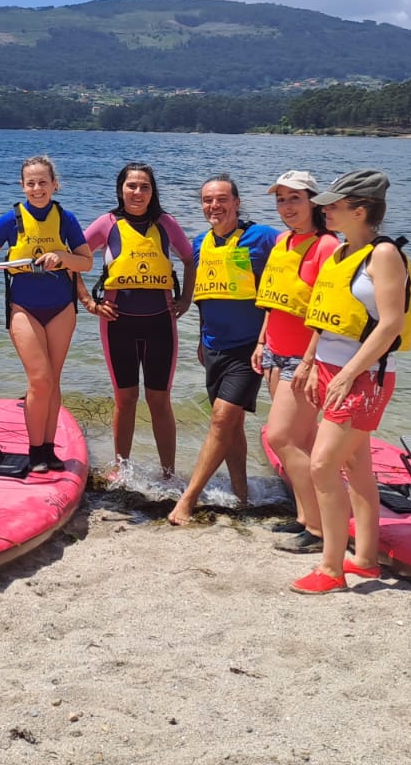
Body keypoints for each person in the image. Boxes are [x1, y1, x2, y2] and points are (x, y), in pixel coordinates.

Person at [291, 169, 411, 594]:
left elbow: (391, 324)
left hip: (362, 376)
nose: (323, 210)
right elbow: (324, 316)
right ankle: (364, 557)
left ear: (360, 211)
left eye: (333, 205)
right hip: (330, 369)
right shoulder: (341, 252)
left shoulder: (383, 255)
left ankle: (330, 568)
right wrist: (309, 362)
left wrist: (348, 374)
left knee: (322, 464)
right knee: (356, 465)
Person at [0, 155, 93, 474]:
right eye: (30, 183)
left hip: (62, 306)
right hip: (23, 306)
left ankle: (49, 450)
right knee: (40, 378)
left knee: (53, 380)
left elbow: (86, 262)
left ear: (54, 185)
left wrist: (62, 256)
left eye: (43, 182)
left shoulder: (66, 219)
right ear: (22, 186)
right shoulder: (10, 220)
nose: (37, 188)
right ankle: (35, 451)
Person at [167, 173, 277, 523]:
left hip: (250, 347)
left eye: (222, 199)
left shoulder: (263, 237)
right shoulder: (201, 244)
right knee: (232, 427)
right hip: (214, 347)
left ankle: (187, 500)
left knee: (221, 419)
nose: (214, 206)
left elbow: (298, 257)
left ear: (237, 202)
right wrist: (201, 339)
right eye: (207, 200)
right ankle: (242, 496)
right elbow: (204, 298)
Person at [76, 162, 195, 477]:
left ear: (152, 191)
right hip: (118, 322)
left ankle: (168, 473)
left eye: (144, 186)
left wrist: (187, 298)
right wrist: (89, 302)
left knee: (159, 400)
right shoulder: (107, 223)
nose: (138, 192)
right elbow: (72, 259)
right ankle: (120, 469)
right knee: (125, 399)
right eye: (132, 186)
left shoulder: (166, 224)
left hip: (160, 322)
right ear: (121, 189)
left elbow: (189, 257)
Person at [249, 170, 340, 553]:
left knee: (280, 437)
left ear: (314, 203)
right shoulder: (284, 241)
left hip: (306, 357)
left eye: (295, 199)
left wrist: (307, 361)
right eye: (281, 200)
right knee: (299, 439)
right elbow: (273, 299)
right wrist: (260, 342)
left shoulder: (328, 247)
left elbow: (329, 309)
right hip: (274, 349)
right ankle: (305, 516)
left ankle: (320, 529)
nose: (286, 207)